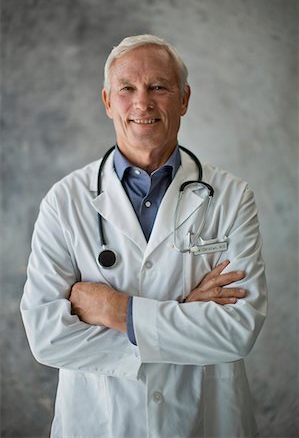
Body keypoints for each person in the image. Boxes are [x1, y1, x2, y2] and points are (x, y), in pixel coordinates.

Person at [20, 34, 267, 438]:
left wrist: (117, 312)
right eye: (127, 89)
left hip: (206, 419)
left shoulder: (232, 197)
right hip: (99, 421)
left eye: (158, 87)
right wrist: (182, 311)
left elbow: (237, 331)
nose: (142, 103)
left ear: (184, 99)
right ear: (107, 102)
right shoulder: (65, 201)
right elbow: (46, 336)